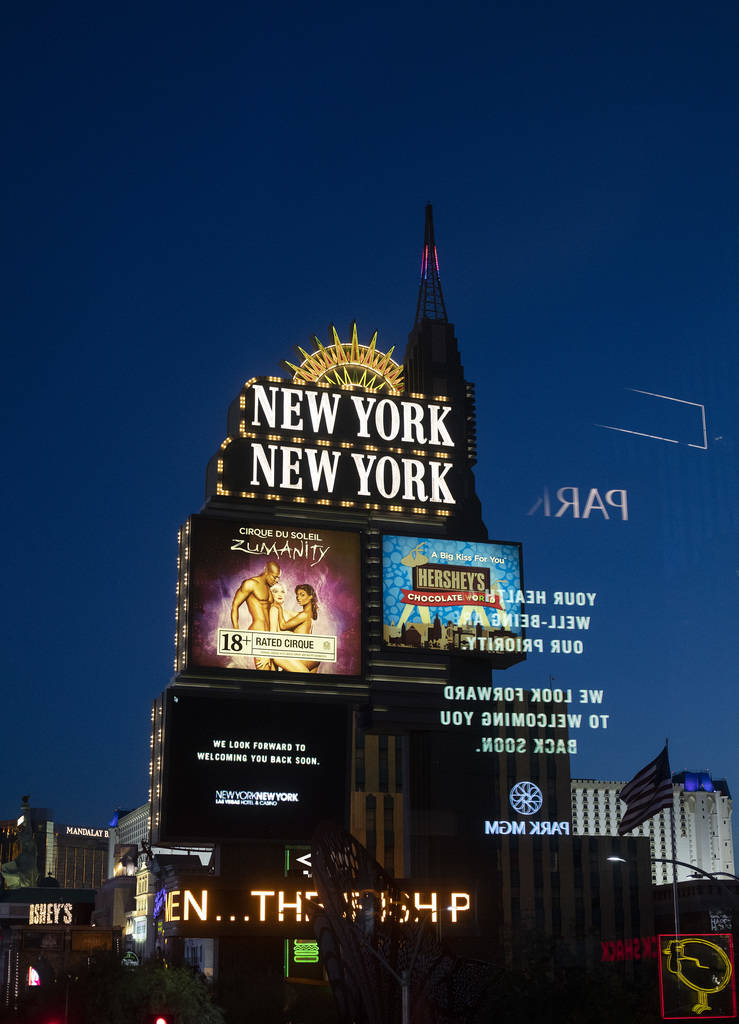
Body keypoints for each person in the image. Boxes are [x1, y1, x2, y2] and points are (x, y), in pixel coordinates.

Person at [230, 560, 280, 669]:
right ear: (266, 571)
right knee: (265, 673)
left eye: (278, 578)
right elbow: (235, 605)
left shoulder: (269, 589)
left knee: (274, 673)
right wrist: (236, 631)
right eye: (274, 577)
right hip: (258, 631)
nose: (276, 580)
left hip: (270, 635)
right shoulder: (251, 583)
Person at [270, 584, 321, 673]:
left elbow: (283, 626)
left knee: (278, 659)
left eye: (302, 595)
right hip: (312, 655)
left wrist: (279, 607)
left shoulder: (303, 615)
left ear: (310, 597)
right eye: (297, 595)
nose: (298, 597)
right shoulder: (308, 614)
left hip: (303, 654)